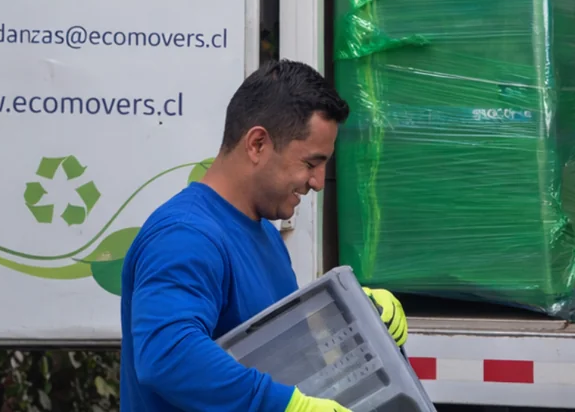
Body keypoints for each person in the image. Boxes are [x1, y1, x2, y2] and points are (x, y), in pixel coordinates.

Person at [120, 59, 409, 412]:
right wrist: (287, 406)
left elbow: (280, 355)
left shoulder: (265, 236)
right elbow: (168, 355)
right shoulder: (185, 236)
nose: (318, 181)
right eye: (310, 163)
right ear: (257, 144)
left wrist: (359, 316)